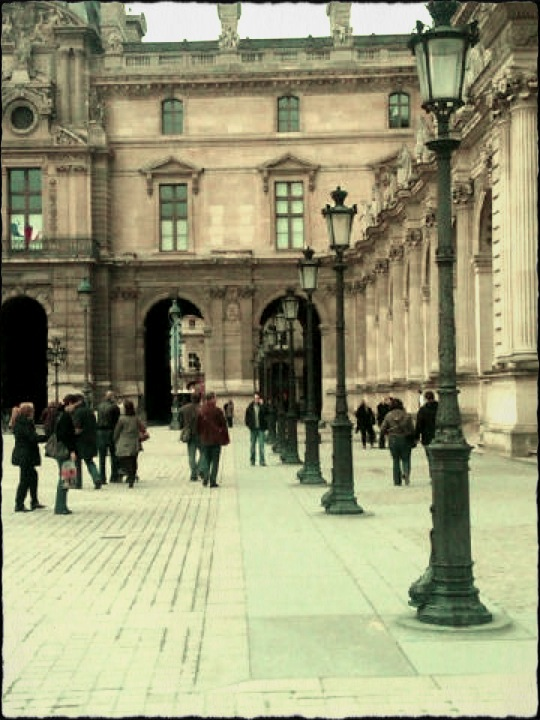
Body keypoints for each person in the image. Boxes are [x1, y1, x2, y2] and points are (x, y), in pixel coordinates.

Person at [11, 402, 47, 512]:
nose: (34, 412)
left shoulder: (24, 422)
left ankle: (34, 501)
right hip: (25, 455)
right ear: (28, 412)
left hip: (26, 454)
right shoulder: (23, 423)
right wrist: (46, 437)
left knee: (33, 477)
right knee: (25, 480)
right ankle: (19, 504)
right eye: (32, 411)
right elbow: (32, 437)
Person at [380, 397, 415, 486]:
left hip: (393, 439)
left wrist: (386, 433)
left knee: (395, 460)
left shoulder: (388, 415)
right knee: (406, 459)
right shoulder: (407, 415)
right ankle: (406, 475)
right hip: (405, 439)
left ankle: (397, 481)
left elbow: (382, 429)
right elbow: (411, 429)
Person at [197, 391, 230, 487]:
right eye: (215, 398)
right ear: (212, 399)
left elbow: (198, 426)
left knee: (206, 460)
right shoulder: (218, 411)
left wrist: (201, 435)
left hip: (205, 439)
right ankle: (212, 481)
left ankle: (206, 477)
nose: (216, 399)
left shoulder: (201, 410)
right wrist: (225, 438)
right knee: (215, 461)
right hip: (215, 440)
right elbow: (223, 425)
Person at [54, 395, 79, 515]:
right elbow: (65, 436)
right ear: (69, 403)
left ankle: (62, 505)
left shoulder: (62, 416)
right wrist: (72, 451)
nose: (75, 408)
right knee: (65, 478)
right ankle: (60, 506)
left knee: (67, 478)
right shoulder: (65, 417)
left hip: (64, 451)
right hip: (65, 452)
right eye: (75, 405)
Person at [72, 394, 101, 489]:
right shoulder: (90, 412)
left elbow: (77, 428)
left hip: (80, 441)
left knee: (77, 462)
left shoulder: (77, 412)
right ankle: (96, 478)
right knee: (89, 461)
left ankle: (77, 483)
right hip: (91, 439)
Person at [113, 399, 142, 488]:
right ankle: (132, 475)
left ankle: (128, 474)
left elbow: (117, 431)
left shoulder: (122, 419)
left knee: (123, 458)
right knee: (133, 460)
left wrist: (114, 439)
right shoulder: (136, 418)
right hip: (135, 442)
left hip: (124, 442)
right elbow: (141, 427)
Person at [96, 390, 120, 484]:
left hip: (100, 432)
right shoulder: (114, 407)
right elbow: (117, 421)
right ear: (112, 397)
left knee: (102, 457)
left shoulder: (99, 406)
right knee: (114, 455)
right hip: (111, 431)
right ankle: (114, 476)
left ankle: (102, 477)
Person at [179, 392, 202, 482]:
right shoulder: (201, 409)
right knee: (203, 454)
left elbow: (179, 417)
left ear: (191, 399)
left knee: (191, 455)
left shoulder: (184, 408)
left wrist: (183, 425)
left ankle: (193, 474)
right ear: (199, 399)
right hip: (200, 434)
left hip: (189, 434)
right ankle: (198, 470)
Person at [415, 390, 439, 474]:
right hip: (440, 436)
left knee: (430, 457)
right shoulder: (440, 408)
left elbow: (419, 425)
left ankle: (433, 473)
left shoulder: (422, 410)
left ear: (425, 398)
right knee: (439, 457)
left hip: (427, 437)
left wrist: (416, 436)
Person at [244, 391, 268, 466]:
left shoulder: (262, 406)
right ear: (253, 399)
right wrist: (249, 426)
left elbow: (266, 413)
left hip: (261, 429)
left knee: (261, 445)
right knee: (252, 446)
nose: (256, 400)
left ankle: (262, 461)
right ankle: (252, 460)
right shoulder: (250, 407)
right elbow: (246, 418)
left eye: (258, 398)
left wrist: (262, 405)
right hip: (253, 429)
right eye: (255, 398)